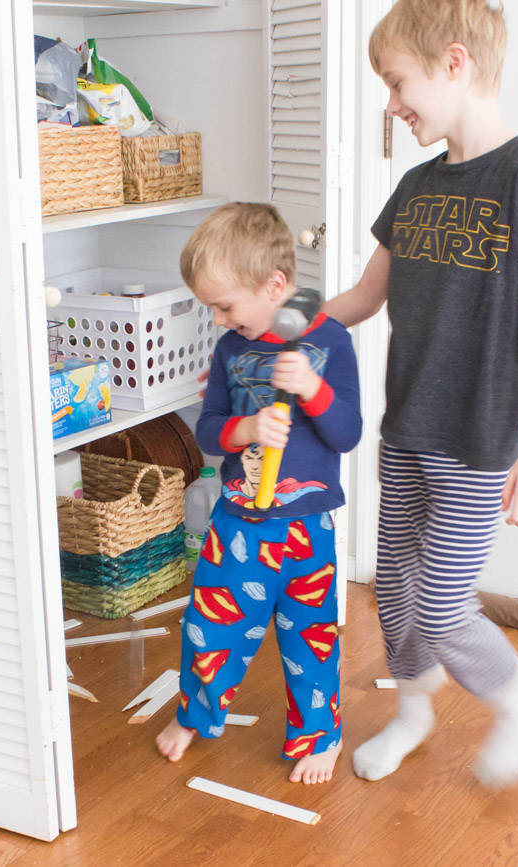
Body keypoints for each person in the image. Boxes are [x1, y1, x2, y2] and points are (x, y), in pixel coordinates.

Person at [322, 0, 518, 789]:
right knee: (397, 596)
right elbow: (364, 298)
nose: (391, 103)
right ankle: (412, 710)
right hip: (405, 430)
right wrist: (283, 325)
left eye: (397, 81)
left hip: (475, 448)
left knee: (442, 606)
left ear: (454, 63)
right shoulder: (413, 186)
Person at [156, 203, 362, 784]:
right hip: (239, 524)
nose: (220, 319)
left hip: (307, 528)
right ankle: (196, 714)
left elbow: (346, 433)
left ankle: (319, 736)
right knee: (208, 628)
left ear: (276, 285)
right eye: (212, 308)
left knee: (311, 642)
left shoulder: (330, 342)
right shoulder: (232, 350)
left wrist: (314, 390)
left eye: (225, 306)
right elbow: (207, 430)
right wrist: (244, 431)